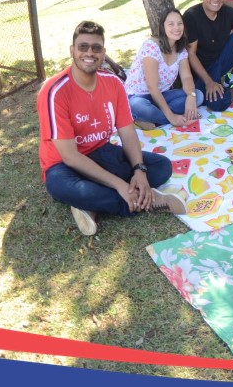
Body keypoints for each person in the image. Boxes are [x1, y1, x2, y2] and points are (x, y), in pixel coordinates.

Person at [38, 20, 186, 237]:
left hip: (101, 152)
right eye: (83, 47)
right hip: (63, 165)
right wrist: (119, 184)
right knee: (64, 187)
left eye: (96, 48)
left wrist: (139, 170)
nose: (90, 53)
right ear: (72, 51)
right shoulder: (55, 91)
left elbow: (127, 132)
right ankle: (148, 201)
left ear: (103, 53)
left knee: (161, 167)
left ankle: (92, 206)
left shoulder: (113, 83)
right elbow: (70, 157)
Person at [124, 8, 204, 129]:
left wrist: (191, 96)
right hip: (138, 96)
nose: (176, 27)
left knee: (198, 95)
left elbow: (187, 77)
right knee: (139, 106)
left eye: (179, 23)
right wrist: (171, 117)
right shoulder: (151, 47)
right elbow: (152, 86)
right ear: (163, 27)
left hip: (162, 95)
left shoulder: (181, 49)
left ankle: (151, 119)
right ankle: (170, 118)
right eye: (171, 24)